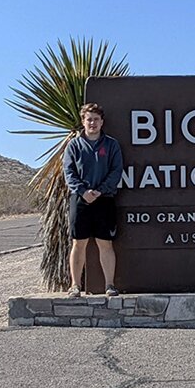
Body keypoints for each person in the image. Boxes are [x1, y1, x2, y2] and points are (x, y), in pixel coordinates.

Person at [63, 103, 124, 297]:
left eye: (96, 119)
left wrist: (100, 190)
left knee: (105, 243)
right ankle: (75, 285)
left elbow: (116, 170)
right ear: (83, 121)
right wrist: (83, 191)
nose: (93, 123)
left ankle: (110, 285)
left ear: (102, 122)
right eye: (89, 119)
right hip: (80, 200)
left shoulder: (111, 144)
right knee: (78, 243)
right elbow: (69, 172)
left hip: (104, 199)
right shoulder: (74, 145)